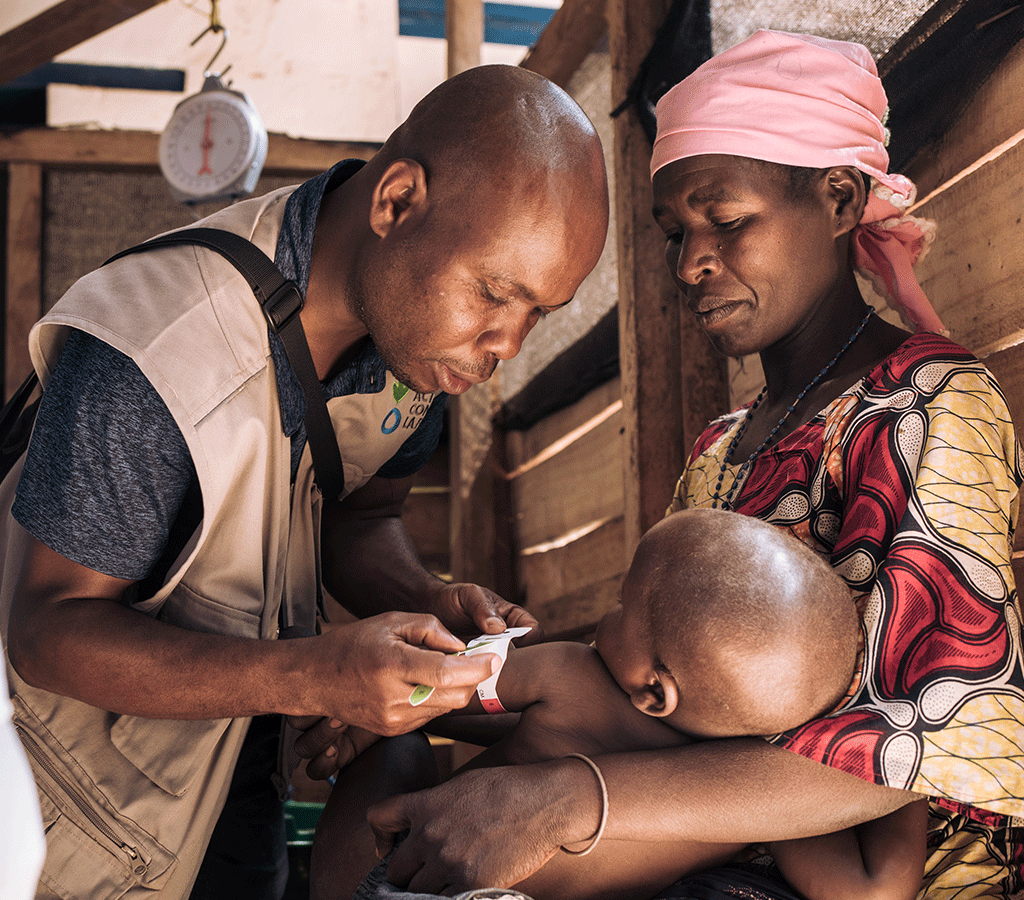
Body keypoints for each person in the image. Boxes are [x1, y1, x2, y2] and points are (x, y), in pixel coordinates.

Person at [361, 30, 1024, 900]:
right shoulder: (720, 450)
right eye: (675, 232)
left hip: (875, 876)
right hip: (703, 832)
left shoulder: (930, 406)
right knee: (401, 774)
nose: (691, 261)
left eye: (728, 221)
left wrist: (565, 800)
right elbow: (648, 682)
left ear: (836, 198)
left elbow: (928, 743)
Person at [0, 64, 609, 900]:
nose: (506, 343)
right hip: (64, 820)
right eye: (495, 293)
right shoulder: (155, 351)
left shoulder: (414, 350)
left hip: (233, 785)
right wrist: (315, 675)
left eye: (541, 312)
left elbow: (361, 520)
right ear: (396, 203)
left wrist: (427, 597)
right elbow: (45, 634)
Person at [318, 506, 929, 900]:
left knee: (395, 745)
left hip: (396, 869)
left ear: (653, 689)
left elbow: (433, 694)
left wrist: (362, 723)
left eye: (621, 604)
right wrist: (923, 775)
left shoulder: (571, 674)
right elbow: (874, 891)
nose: (606, 617)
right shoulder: (747, 807)